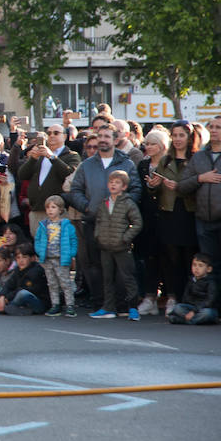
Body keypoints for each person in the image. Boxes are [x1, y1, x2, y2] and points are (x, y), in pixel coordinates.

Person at [69, 124, 140, 311]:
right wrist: (86, 206)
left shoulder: (127, 164)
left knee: (119, 267)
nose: (102, 139)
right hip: (93, 221)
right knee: (94, 265)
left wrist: (121, 208)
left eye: (106, 136)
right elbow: (75, 190)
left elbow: (136, 190)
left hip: (118, 224)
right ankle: (100, 302)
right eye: (99, 136)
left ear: (115, 140)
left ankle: (121, 304)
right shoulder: (86, 165)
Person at [148, 120, 200, 315]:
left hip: (189, 212)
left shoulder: (196, 158)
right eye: (175, 135)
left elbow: (198, 185)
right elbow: (156, 187)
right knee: (172, 259)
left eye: (181, 135)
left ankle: (191, 299)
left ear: (189, 137)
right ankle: (176, 297)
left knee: (190, 257)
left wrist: (179, 187)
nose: (178, 139)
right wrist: (153, 185)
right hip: (168, 213)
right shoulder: (166, 159)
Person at [176, 114, 221, 294]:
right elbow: (181, 186)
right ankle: (215, 307)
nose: (213, 130)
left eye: (218, 127)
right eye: (211, 126)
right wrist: (200, 178)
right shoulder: (199, 157)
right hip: (204, 220)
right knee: (210, 269)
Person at [89, 170, 143, 321]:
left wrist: (125, 238)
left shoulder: (128, 203)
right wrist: (98, 235)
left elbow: (137, 223)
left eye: (117, 182)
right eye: (111, 182)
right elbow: (99, 221)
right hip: (105, 246)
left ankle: (132, 308)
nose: (113, 184)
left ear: (124, 186)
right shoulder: (104, 203)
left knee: (128, 277)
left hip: (122, 247)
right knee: (107, 278)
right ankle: (108, 308)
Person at [17, 124, 81, 237]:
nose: (51, 136)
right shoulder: (39, 156)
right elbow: (22, 175)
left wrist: (52, 157)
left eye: (56, 133)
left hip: (59, 211)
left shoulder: (72, 156)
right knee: (39, 247)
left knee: (58, 246)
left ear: (65, 136)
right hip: (37, 210)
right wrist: (33, 159)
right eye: (49, 133)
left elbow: (69, 175)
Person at [135, 129, 169, 315]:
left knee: (168, 258)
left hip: (167, 216)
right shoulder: (142, 164)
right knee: (149, 258)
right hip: (146, 217)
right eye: (147, 143)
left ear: (162, 146)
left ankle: (171, 296)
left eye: (152, 144)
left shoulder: (169, 163)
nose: (148, 147)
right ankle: (150, 298)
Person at [34, 195, 78, 317]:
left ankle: (70, 305)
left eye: (53, 207)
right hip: (47, 259)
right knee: (52, 283)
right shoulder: (43, 225)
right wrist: (39, 250)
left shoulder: (66, 225)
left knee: (65, 282)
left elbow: (73, 240)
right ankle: (55, 305)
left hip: (61, 258)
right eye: (48, 207)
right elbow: (37, 239)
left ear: (60, 209)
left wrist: (71, 254)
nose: (50, 210)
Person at [0, 243, 50, 315]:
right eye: (18, 258)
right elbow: (9, 284)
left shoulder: (36, 271)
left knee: (23, 294)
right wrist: (2, 296)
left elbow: (24, 289)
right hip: (22, 303)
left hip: (39, 303)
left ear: (32, 258)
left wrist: (6, 299)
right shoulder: (18, 270)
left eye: (24, 257)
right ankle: (9, 308)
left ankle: (7, 307)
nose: (21, 261)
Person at [167, 253, 219, 325]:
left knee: (208, 313)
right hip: (191, 307)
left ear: (209, 269)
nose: (196, 268)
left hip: (203, 308)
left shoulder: (211, 283)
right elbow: (185, 297)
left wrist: (194, 311)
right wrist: (190, 307)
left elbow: (210, 301)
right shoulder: (191, 280)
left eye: (200, 265)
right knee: (178, 307)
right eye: (194, 265)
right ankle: (194, 320)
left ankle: (183, 321)